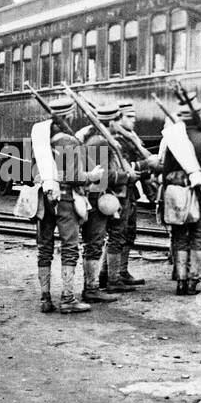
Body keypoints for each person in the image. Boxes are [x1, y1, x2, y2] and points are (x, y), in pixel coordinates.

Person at [32, 94, 104, 314]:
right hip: (65, 200)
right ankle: (68, 298)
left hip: (45, 198)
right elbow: (74, 176)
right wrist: (92, 176)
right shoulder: (69, 141)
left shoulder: (44, 140)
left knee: (44, 248)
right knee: (69, 246)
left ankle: (45, 298)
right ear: (70, 115)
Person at [158, 93, 201, 295]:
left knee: (179, 235)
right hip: (200, 192)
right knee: (198, 235)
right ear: (198, 116)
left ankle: (180, 282)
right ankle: (194, 280)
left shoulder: (174, 139)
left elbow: (165, 170)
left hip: (178, 191)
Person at [78, 99, 127, 304]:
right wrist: (128, 176)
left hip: (93, 195)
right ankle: (91, 289)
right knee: (94, 243)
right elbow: (104, 176)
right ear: (112, 122)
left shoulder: (95, 138)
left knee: (93, 243)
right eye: (118, 120)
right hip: (97, 197)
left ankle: (92, 286)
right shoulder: (100, 141)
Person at [107, 99, 158, 288]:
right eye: (129, 117)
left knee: (126, 232)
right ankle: (114, 277)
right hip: (120, 191)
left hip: (128, 190)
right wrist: (147, 165)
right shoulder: (118, 140)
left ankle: (117, 272)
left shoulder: (128, 136)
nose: (133, 121)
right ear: (118, 118)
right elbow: (125, 167)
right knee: (119, 233)